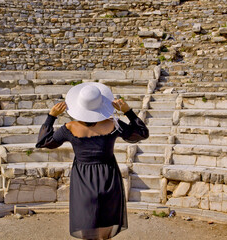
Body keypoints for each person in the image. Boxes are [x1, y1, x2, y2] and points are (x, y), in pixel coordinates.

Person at [36, 82, 149, 240]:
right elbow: (142, 133)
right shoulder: (113, 124)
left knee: (87, 223)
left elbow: (43, 141)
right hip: (109, 178)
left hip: (83, 180)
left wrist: (51, 116)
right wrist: (127, 111)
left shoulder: (69, 128)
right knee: (105, 223)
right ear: (101, 105)